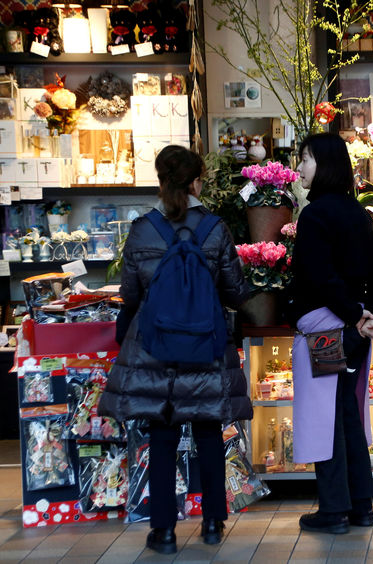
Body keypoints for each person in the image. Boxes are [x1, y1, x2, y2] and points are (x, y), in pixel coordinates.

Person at [98, 145, 253, 554]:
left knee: (163, 435)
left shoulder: (142, 229)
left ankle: (164, 531)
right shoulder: (215, 228)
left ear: (161, 180)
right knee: (208, 431)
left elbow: (130, 293)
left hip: (155, 350)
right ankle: (214, 523)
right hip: (207, 347)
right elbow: (235, 292)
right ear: (198, 180)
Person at [288, 133, 373, 534]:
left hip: (324, 331)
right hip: (352, 333)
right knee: (347, 413)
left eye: (305, 159)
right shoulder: (358, 214)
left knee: (325, 417)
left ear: (325, 164)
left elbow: (319, 279)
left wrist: (352, 314)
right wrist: (370, 320)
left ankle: (333, 510)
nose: (299, 168)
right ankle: (361, 506)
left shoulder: (314, 216)